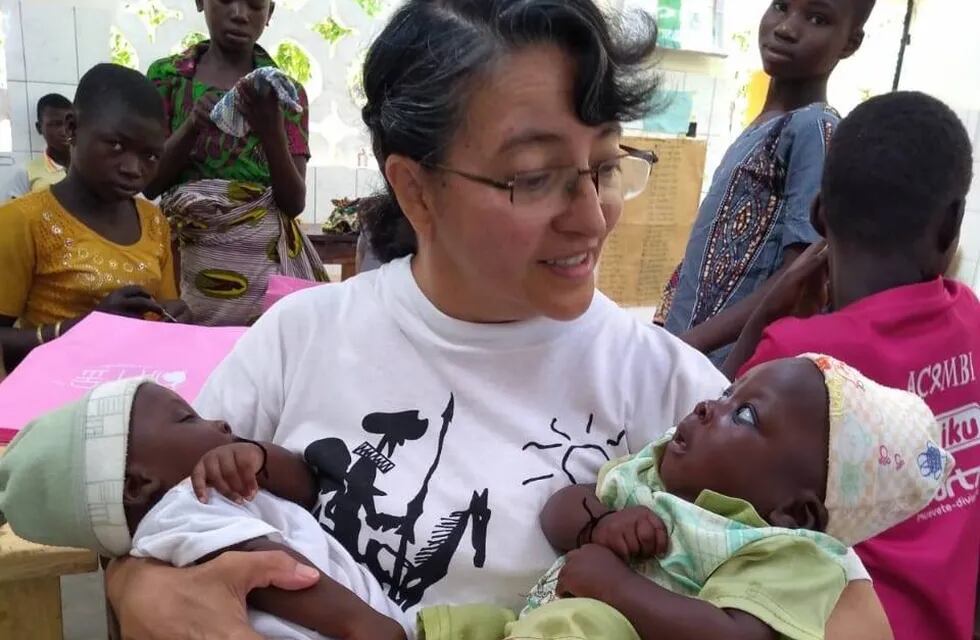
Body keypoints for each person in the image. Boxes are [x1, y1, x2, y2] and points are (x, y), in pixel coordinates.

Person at [103, 2, 893, 638]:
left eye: (607, 166)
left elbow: (851, 613)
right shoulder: (299, 340)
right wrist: (144, 595)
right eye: (535, 177)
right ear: (415, 190)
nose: (591, 219)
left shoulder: (670, 393)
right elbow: (156, 516)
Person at [425, 355, 950, 639]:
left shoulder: (787, 553)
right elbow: (560, 508)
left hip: (595, 625)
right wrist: (598, 524)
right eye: (727, 392)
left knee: (591, 624)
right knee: (467, 622)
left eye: (743, 415)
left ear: (795, 510)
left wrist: (616, 589)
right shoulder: (652, 477)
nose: (707, 406)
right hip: (535, 622)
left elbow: (735, 637)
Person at [723, 91, 979, 640]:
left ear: (818, 213)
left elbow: (694, 460)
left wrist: (762, 318)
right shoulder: (974, 324)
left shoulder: (793, 358)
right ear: (951, 224)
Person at [0, 378, 410, 640]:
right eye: (187, 419)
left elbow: (306, 487)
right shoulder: (179, 512)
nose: (219, 424)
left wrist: (260, 457)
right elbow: (268, 569)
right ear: (138, 484)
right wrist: (360, 625)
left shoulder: (214, 496)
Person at [656, 0, 875, 366]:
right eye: (781, 6)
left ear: (850, 43)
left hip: (722, 368)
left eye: (817, 19)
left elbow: (799, 276)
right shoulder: (766, 123)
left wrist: (690, 345)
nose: (787, 28)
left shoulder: (814, 129)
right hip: (685, 355)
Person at [145, 0, 324, 327]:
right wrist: (192, 125)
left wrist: (271, 129)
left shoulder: (285, 93)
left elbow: (294, 202)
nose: (240, 14)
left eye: (255, 5)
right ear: (200, 2)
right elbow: (150, 183)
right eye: (226, 0)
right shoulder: (167, 79)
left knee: (257, 357)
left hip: (261, 273)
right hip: (185, 266)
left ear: (270, 14)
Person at [0, 64, 190, 373]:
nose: (133, 168)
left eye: (151, 156)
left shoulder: (154, 221)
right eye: (117, 145)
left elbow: (160, 315)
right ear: (72, 129)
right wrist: (85, 329)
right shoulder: (22, 222)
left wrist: (174, 318)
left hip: (135, 398)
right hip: (50, 405)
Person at [3, 93, 72, 201]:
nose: (64, 131)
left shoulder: (91, 167)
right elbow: (14, 215)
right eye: (56, 124)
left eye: (70, 124)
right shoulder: (27, 173)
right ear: (39, 128)